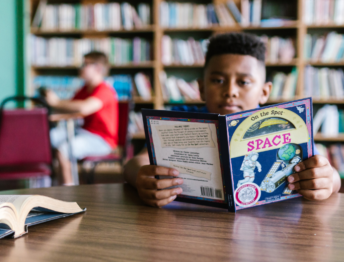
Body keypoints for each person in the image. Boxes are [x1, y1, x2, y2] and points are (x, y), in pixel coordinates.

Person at [124, 33, 342, 207]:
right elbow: (136, 163)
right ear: (200, 88)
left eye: (244, 82)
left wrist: (328, 181)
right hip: (192, 221)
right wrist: (142, 178)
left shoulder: (282, 124)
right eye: (218, 80)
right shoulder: (179, 119)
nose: (230, 91)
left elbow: (329, 175)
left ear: (264, 92)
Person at [41, 52, 118, 185]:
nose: (81, 68)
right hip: (83, 132)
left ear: (98, 68)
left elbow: (84, 108)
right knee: (47, 137)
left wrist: (55, 102)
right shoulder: (84, 90)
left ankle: (68, 188)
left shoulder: (105, 90)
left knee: (64, 149)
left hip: (101, 139)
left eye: (85, 64)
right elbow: (70, 109)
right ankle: (44, 183)